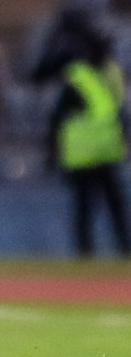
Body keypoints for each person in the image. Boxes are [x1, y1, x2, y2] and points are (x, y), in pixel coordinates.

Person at [46, 25, 131, 257]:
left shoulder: (109, 73)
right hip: (84, 154)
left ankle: (119, 249)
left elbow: (119, 112)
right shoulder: (78, 76)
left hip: (105, 151)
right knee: (90, 206)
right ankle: (87, 252)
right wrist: (53, 150)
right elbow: (58, 117)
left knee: (109, 206)